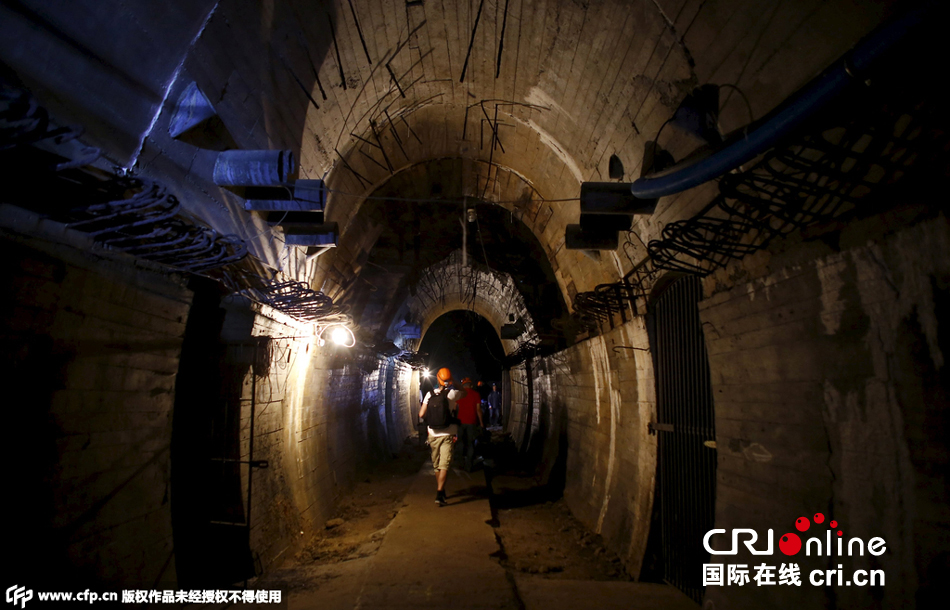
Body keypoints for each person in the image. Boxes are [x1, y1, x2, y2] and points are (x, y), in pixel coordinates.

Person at [419, 367, 465, 506]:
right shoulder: (452, 394)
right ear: (449, 379)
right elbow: (465, 392)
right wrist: (454, 382)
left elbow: (421, 414)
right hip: (448, 433)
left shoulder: (429, 394)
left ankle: (441, 489)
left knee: (437, 465)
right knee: (445, 464)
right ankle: (440, 493)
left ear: (437, 378)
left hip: (433, 433)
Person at [455, 378, 483, 471]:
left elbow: (454, 408)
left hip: (460, 422)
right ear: (471, 385)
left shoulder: (460, 394)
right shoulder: (476, 394)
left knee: (460, 442)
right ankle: (469, 466)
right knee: (471, 443)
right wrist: (481, 423)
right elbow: (478, 410)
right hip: (472, 422)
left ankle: (460, 463)